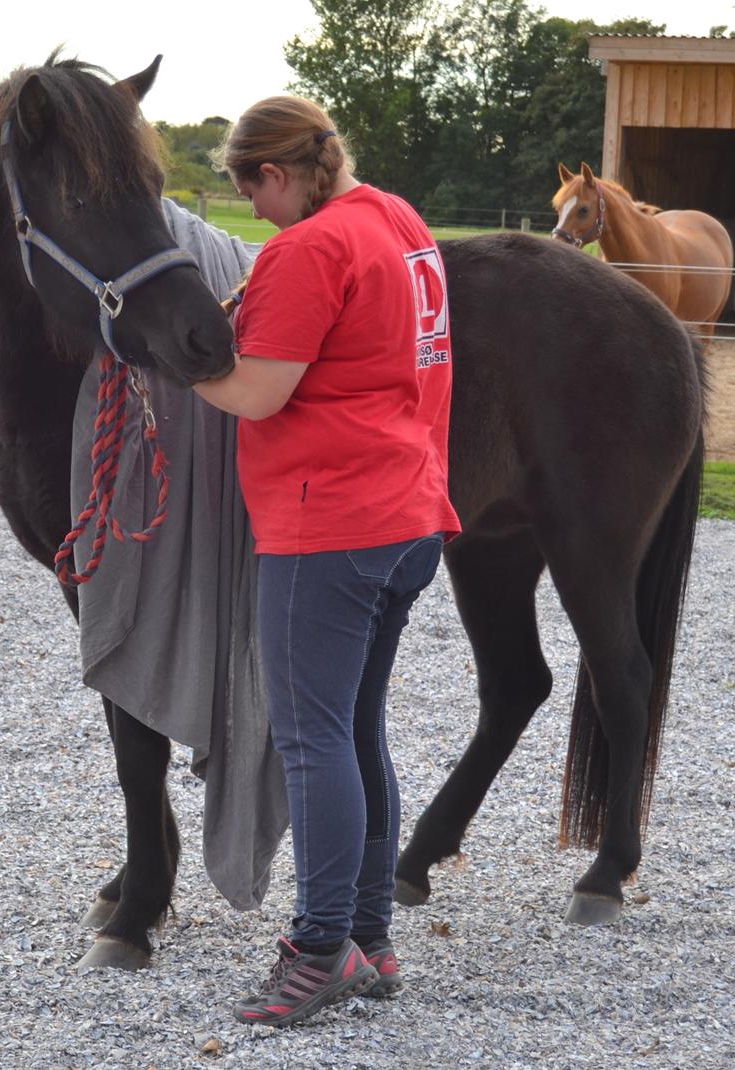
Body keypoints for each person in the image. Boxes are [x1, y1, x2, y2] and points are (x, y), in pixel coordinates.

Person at [194, 96, 460, 1028]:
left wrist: (166, 359)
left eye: (246, 188)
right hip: (407, 510)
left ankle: (318, 951)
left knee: (311, 741)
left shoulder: (308, 248)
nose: (250, 211)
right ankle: (369, 936)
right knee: (355, 729)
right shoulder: (397, 217)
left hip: (328, 520)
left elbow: (259, 394)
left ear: (278, 172)